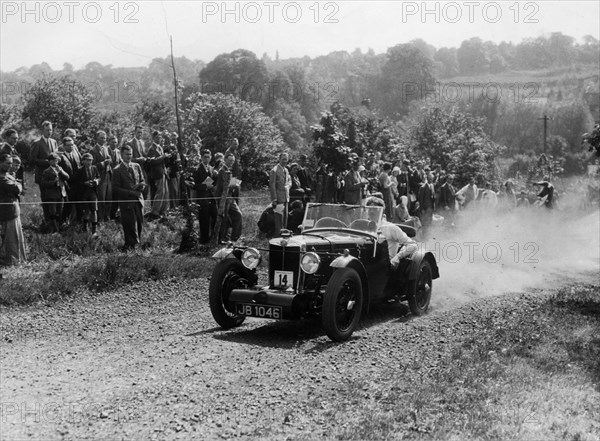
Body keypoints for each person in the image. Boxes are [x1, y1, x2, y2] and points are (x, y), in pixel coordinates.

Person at [367, 199, 417, 270]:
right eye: (369, 209)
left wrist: (397, 257)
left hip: (384, 266)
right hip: (367, 262)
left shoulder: (391, 228)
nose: (371, 212)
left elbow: (412, 244)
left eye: (375, 209)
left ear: (382, 211)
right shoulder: (363, 227)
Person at [112, 145, 146, 250]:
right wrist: (130, 192)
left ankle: (137, 244)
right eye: (127, 154)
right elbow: (115, 188)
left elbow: (142, 180)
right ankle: (130, 246)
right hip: (126, 201)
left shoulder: (137, 166)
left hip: (138, 200)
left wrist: (140, 186)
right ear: (121, 155)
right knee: (129, 224)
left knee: (140, 223)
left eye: (130, 154)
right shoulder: (117, 170)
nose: (129, 156)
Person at [30, 121, 59, 229]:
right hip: (43, 176)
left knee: (54, 198)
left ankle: (55, 222)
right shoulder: (37, 143)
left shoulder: (54, 142)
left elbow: (55, 157)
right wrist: (48, 162)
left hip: (54, 176)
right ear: (43, 130)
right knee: (46, 198)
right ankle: (47, 222)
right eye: (47, 130)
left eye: (51, 130)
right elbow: (32, 160)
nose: (49, 132)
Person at [0, 153, 26, 266]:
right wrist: (18, 184)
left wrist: (17, 184)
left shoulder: (7, 175)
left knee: (16, 239)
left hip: (13, 211)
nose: (10, 166)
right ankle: (13, 264)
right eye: (7, 163)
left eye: (11, 163)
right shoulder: (2, 178)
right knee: (11, 241)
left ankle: (17, 263)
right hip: (7, 212)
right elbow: (16, 188)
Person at [214, 152, 242, 243]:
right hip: (223, 197)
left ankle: (235, 238)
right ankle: (221, 239)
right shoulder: (222, 170)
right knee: (224, 218)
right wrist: (234, 185)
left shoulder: (229, 169)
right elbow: (222, 186)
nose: (231, 162)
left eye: (233, 161)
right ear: (225, 160)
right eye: (229, 160)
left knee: (238, 215)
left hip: (230, 197)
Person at [194, 149, 218, 244]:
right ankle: (204, 240)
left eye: (208, 157)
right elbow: (194, 185)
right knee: (204, 219)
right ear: (201, 157)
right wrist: (205, 186)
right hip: (202, 197)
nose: (207, 159)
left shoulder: (211, 168)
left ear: (211, 157)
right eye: (205, 157)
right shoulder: (196, 169)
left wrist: (215, 176)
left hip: (211, 197)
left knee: (215, 216)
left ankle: (213, 238)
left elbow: (214, 181)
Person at [41, 153, 69, 233]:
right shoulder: (46, 171)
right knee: (52, 212)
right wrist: (53, 182)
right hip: (51, 194)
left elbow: (67, 177)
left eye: (56, 160)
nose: (55, 162)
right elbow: (43, 183)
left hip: (60, 193)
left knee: (59, 211)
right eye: (53, 161)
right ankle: (54, 228)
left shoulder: (60, 168)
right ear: (49, 162)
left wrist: (61, 172)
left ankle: (59, 226)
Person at [73, 153, 100, 235]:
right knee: (86, 210)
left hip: (92, 191)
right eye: (87, 160)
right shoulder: (79, 170)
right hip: (83, 192)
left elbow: (98, 177)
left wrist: (96, 181)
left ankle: (94, 230)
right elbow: (75, 181)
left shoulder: (94, 168)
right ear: (83, 161)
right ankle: (84, 227)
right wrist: (84, 183)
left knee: (94, 209)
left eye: (91, 160)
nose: (89, 162)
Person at [147, 131, 171, 219]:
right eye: (157, 137)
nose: (159, 139)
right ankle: (155, 212)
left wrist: (166, 158)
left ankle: (163, 211)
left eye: (160, 137)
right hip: (157, 173)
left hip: (163, 172)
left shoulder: (160, 147)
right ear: (153, 138)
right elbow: (152, 161)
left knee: (165, 193)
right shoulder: (152, 148)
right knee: (160, 192)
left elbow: (162, 161)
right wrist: (163, 157)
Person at [90, 131, 113, 222]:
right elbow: (92, 166)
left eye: (104, 138)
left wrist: (109, 161)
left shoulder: (105, 148)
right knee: (101, 199)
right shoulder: (93, 150)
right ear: (97, 138)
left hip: (108, 176)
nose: (103, 140)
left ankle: (107, 217)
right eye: (101, 138)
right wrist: (103, 163)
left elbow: (108, 160)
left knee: (109, 198)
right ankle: (99, 219)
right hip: (100, 178)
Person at [59, 136, 82, 225]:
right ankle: (63, 222)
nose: (71, 147)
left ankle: (77, 223)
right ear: (64, 146)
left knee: (78, 205)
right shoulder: (61, 157)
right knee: (67, 205)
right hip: (67, 184)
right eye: (68, 145)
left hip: (76, 184)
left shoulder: (75, 155)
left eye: (72, 145)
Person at [269, 152, 292, 234]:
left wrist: (288, 186)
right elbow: (272, 185)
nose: (285, 161)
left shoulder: (286, 170)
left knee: (285, 219)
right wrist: (274, 199)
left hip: (286, 198)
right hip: (278, 199)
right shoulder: (274, 170)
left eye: (286, 159)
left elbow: (289, 181)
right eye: (283, 159)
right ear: (279, 159)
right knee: (279, 220)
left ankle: (284, 237)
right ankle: (278, 238)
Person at [126, 125, 148, 199]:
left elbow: (144, 154)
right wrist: (138, 159)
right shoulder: (130, 143)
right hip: (133, 169)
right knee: (135, 189)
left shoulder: (142, 143)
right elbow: (128, 158)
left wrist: (145, 158)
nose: (140, 134)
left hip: (142, 168)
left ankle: (143, 207)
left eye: (141, 133)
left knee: (144, 188)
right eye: (138, 132)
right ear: (135, 132)